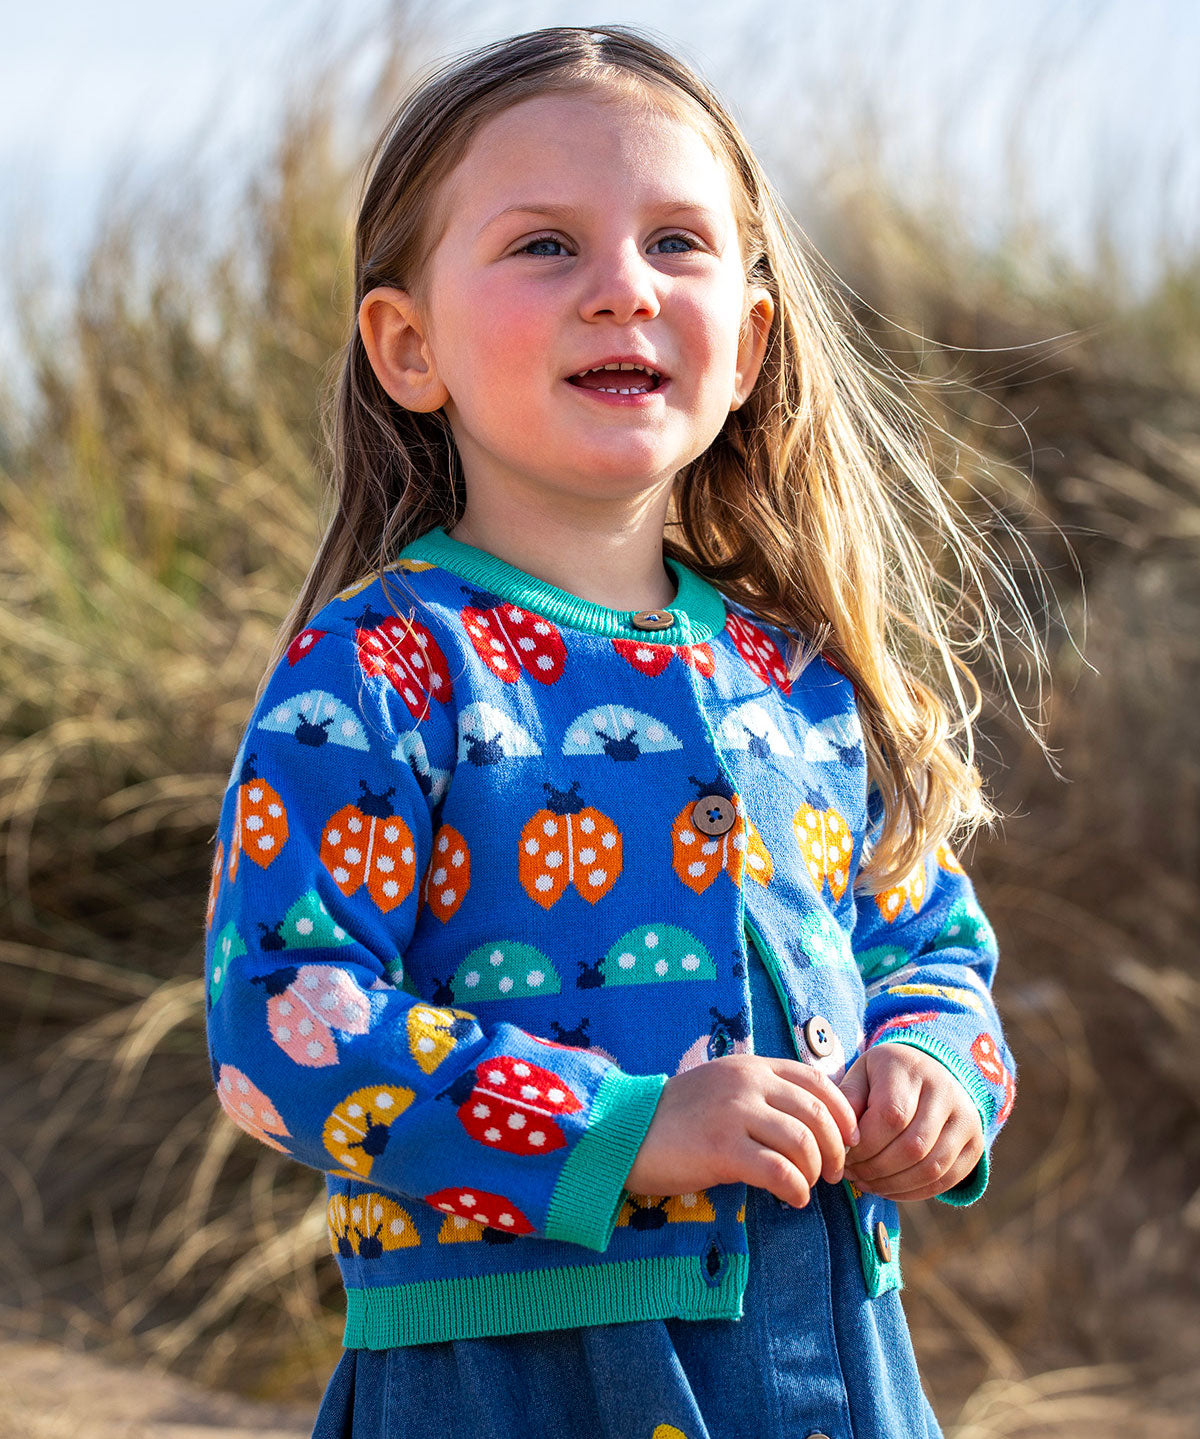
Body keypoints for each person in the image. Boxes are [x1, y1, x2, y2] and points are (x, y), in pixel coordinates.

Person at [204, 24, 1031, 1439]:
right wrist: (615, 1126)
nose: (621, 291)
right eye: (543, 247)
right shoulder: (382, 670)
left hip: (827, 1357)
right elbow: (280, 1030)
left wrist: (939, 1070)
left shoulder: (800, 678)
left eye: (677, 244)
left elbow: (929, 947)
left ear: (752, 343)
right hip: (517, 1375)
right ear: (410, 347)